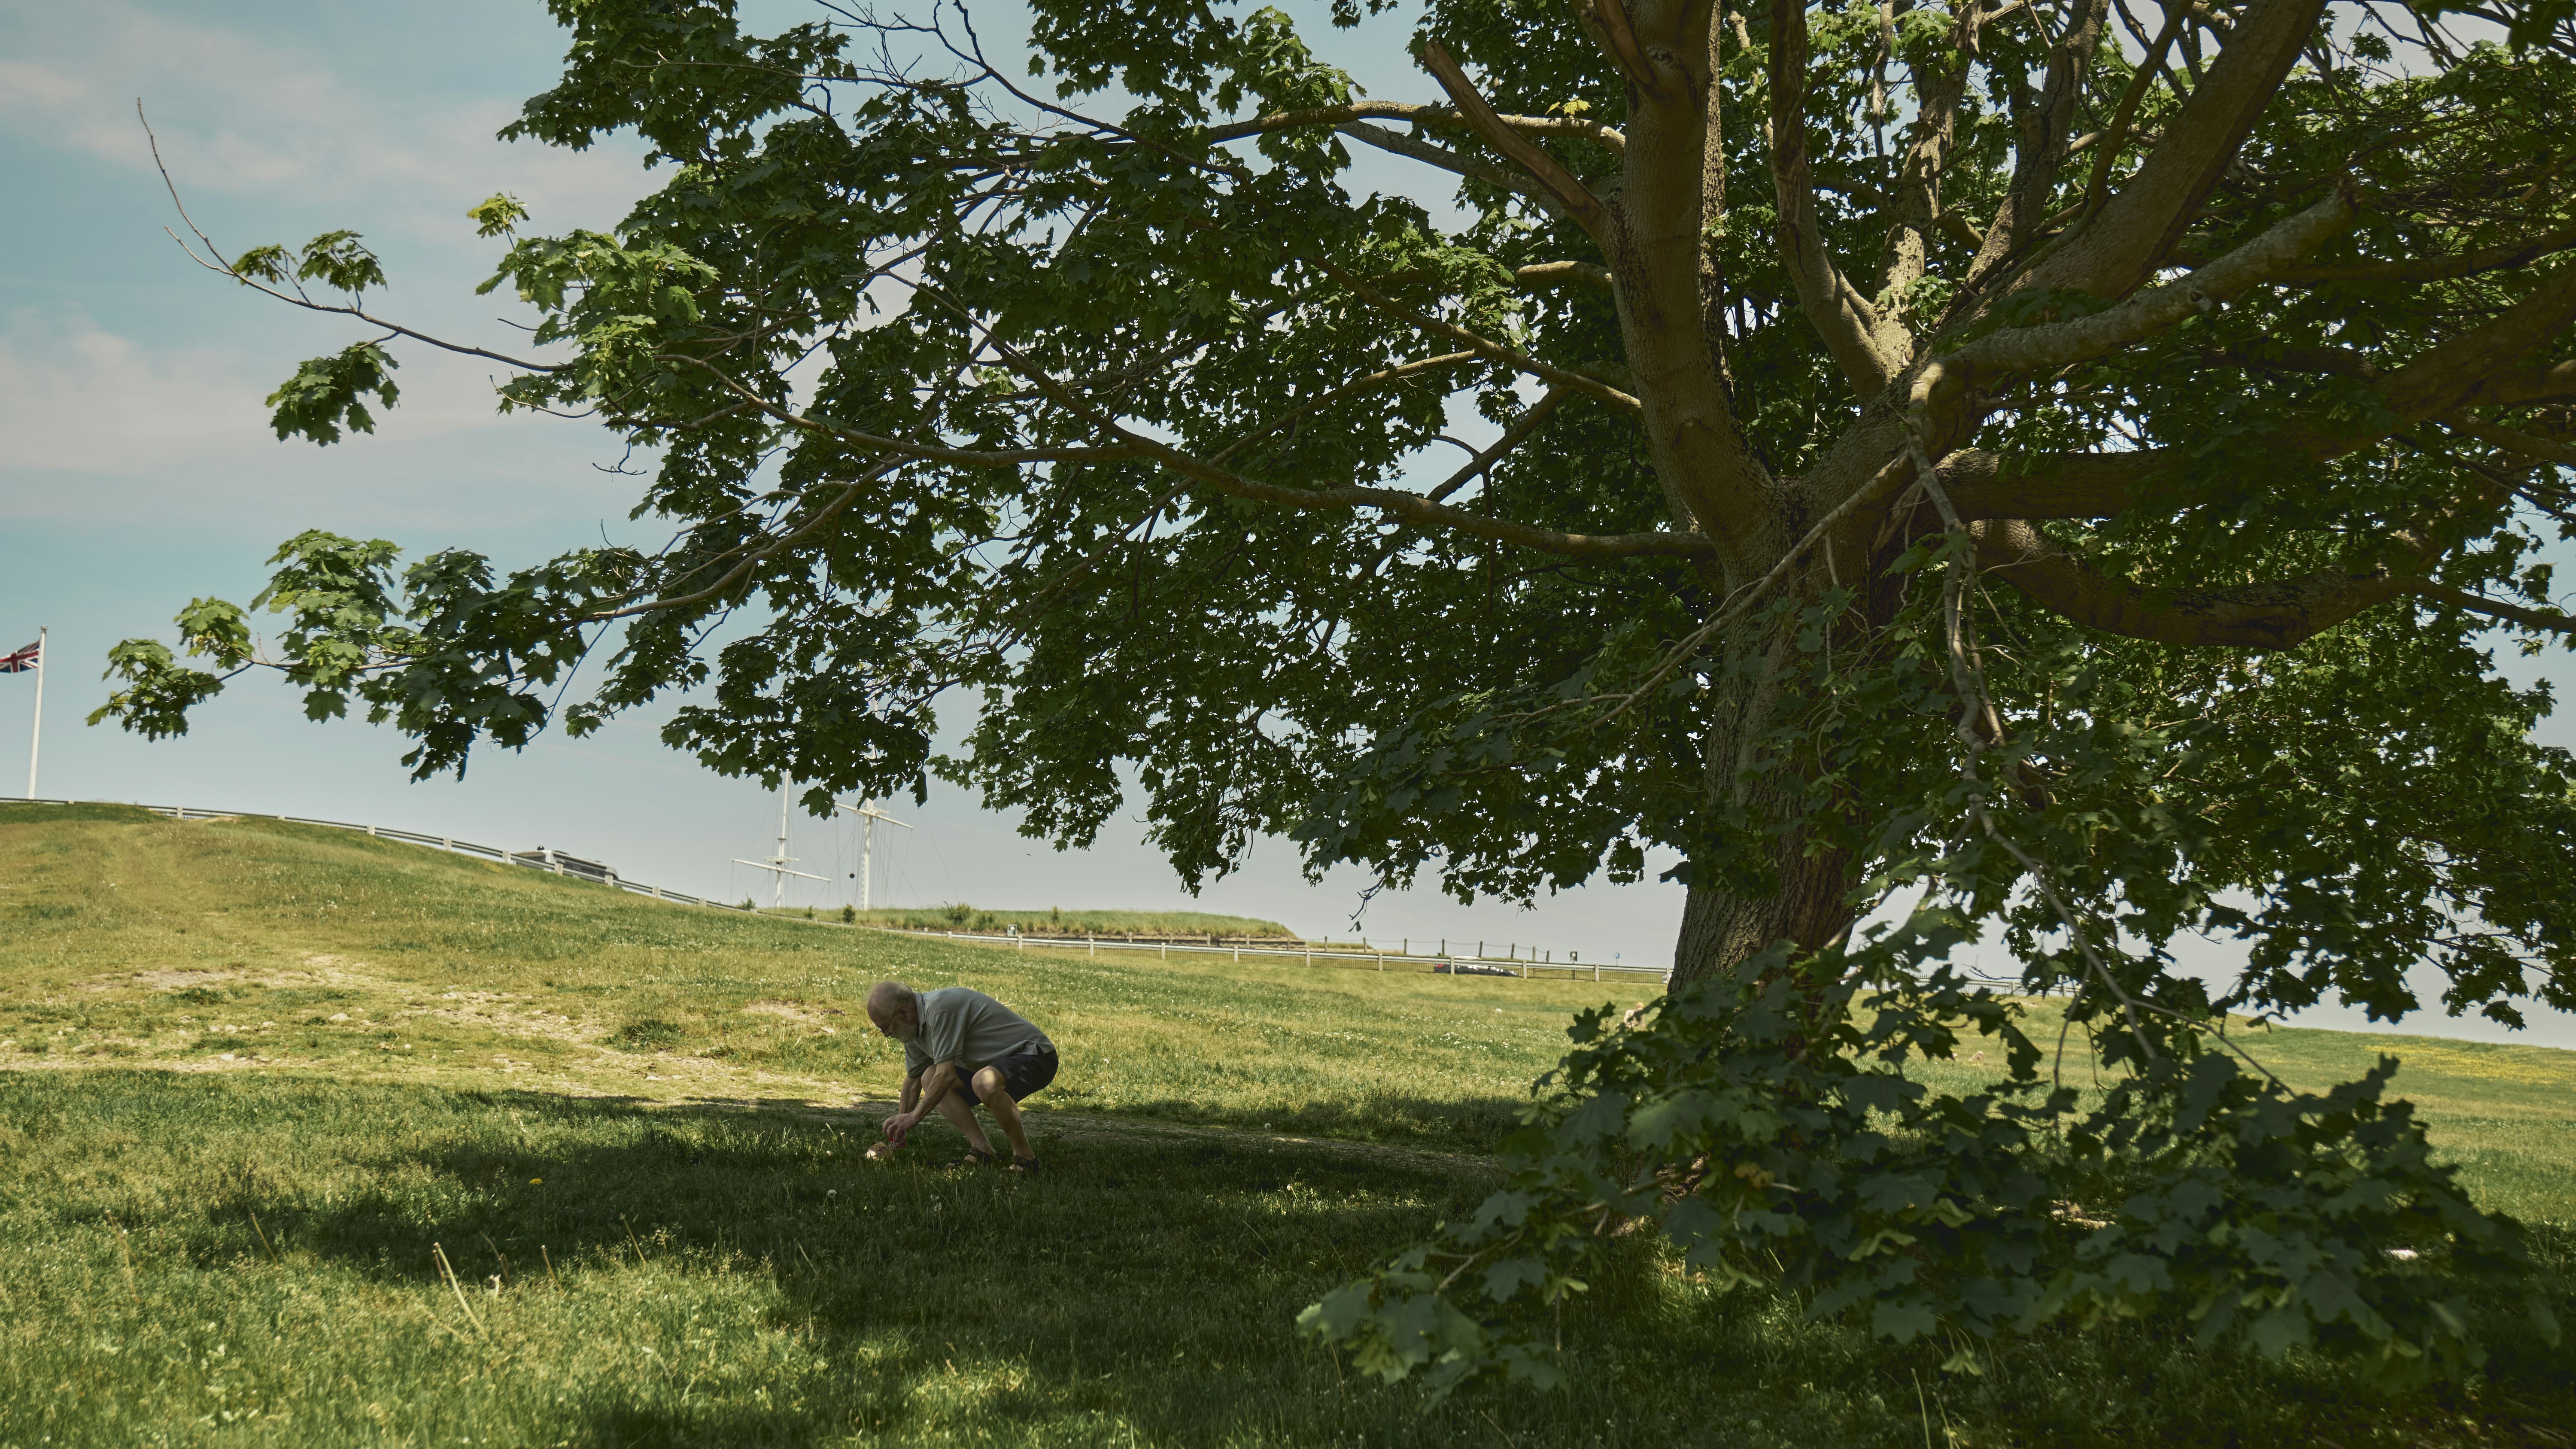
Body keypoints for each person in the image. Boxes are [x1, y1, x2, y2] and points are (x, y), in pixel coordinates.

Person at [866, 979, 1057, 1171]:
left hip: (1036, 1056)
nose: (887, 1035)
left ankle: (1026, 1157)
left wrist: (914, 1117)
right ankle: (983, 1150)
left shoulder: (939, 1010)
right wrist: (899, 1130)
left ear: (903, 1012)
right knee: (929, 1077)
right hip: (990, 1067)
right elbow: (914, 1081)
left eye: (885, 1027)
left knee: (983, 1082)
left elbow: (947, 1075)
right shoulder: (913, 1031)